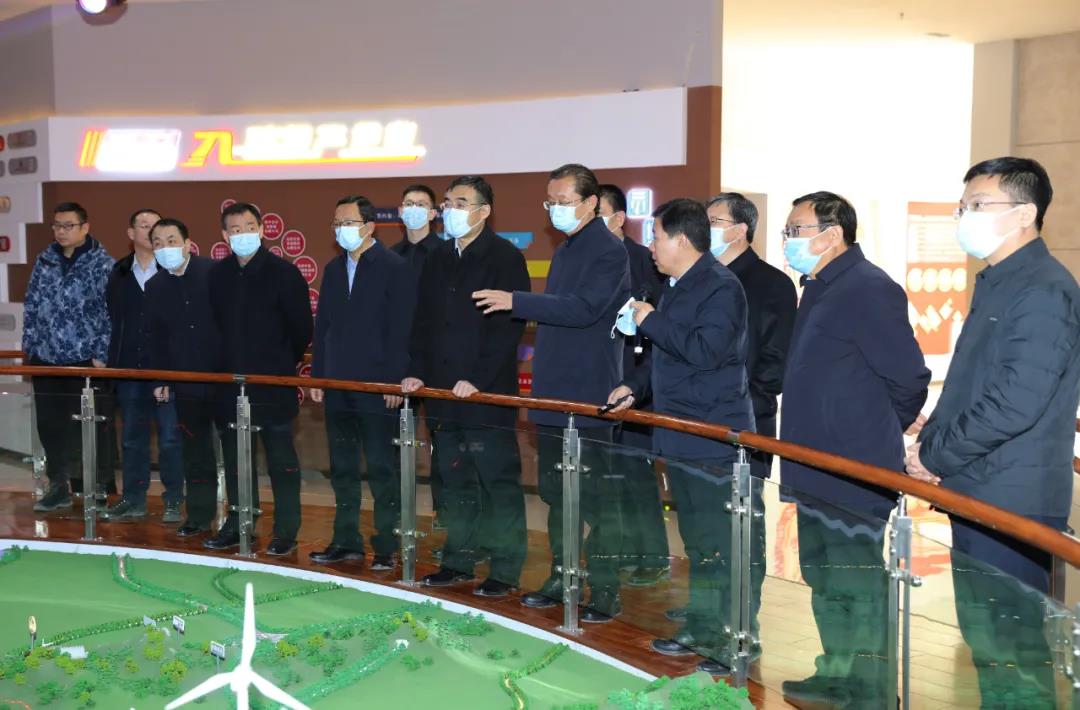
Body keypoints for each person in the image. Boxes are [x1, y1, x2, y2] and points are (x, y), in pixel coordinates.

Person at [906, 157, 1080, 708]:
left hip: (1012, 496)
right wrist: (935, 430)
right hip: (982, 485)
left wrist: (934, 454)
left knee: (1013, 646)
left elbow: (1015, 403)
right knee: (988, 640)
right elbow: (980, 382)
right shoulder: (1002, 282)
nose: (966, 216)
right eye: (964, 206)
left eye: (979, 205)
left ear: (1025, 213)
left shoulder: (1044, 289)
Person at [779, 191, 930, 707]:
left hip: (853, 470)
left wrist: (877, 427)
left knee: (858, 583)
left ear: (832, 235)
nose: (788, 240)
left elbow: (908, 377)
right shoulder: (819, 288)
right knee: (825, 577)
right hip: (814, 466)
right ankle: (836, 673)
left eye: (796, 230)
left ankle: (869, 690)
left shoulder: (868, 288)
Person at [474, 163, 630, 622]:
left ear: (590, 203)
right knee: (557, 495)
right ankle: (563, 576)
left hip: (588, 395)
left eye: (563, 201)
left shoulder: (608, 250)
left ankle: (604, 588)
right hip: (553, 394)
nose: (554, 209)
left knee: (595, 500)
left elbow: (584, 310)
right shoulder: (566, 249)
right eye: (550, 202)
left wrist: (517, 301)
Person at [607, 198, 755, 674]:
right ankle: (704, 625)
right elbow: (665, 357)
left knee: (722, 543)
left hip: (711, 435)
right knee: (698, 541)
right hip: (679, 432)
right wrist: (635, 387)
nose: (650, 246)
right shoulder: (678, 285)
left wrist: (650, 319)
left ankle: (735, 637)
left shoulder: (720, 287)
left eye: (655, 237)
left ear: (682, 240)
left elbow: (705, 351)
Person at [403, 175, 531, 597]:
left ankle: (505, 569)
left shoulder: (505, 257)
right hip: (442, 395)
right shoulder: (438, 256)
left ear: (484, 211)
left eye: (461, 202)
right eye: (448, 201)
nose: (451, 209)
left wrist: (476, 378)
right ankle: (457, 559)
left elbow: (507, 329)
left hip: (485, 395)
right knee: (454, 483)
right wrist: (417, 370)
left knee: (497, 483)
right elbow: (422, 321)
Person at [308, 195, 415, 570]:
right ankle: (345, 541)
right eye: (336, 224)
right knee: (342, 469)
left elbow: (402, 328)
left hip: (377, 387)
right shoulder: (334, 268)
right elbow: (324, 326)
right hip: (338, 384)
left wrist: (393, 381)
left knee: (383, 470)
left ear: (369, 227)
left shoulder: (394, 267)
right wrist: (318, 374)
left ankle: (387, 545)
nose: (341, 230)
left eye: (348, 223)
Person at [205, 202, 313, 556]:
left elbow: (301, 330)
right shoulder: (216, 276)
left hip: (273, 385)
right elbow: (211, 329)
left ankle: (285, 531)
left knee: (282, 462)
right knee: (237, 463)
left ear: (262, 229)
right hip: (227, 387)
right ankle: (239, 524)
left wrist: (278, 362)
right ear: (225, 235)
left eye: (250, 227)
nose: (243, 235)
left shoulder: (285, 273)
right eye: (235, 229)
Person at [596, 184, 670, 586]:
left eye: (599, 214)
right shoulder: (585, 260)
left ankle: (653, 555)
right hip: (599, 382)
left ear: (619, 218)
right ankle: (618, 549)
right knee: (607, 476)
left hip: (638, 384)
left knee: (637, 475)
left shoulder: (646, 261)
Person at [24, 202, 115, 512]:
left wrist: (101, 353)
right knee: (50, 426)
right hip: (46, 359)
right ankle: (58, 486)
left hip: (85, 360)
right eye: (57, 225)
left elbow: (109, 312)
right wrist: (30, 346)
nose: (61, 231)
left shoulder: (102, 263)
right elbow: (32, 304)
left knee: (91, 426)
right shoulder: (44, 260)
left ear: (84, 227)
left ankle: (97, 487)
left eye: (68, 225)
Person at [103, 208, 185, 523]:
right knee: (132, 440)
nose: (150, 230)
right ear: (131, 233)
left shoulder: (175, 269)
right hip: (129, 370)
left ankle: (174, 499)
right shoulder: (120, 272)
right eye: (143, 225)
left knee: (170, 439)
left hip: (168, 371)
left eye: (155, 226)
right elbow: (112, 316)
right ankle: (133, 499)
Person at [144, 217, 223, 537]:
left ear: (188, 244)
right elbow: (155, 336)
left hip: (224, 378)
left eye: (172, 241)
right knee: (195, 452)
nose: (166, 248)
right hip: (185, 381)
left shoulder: (214, 273)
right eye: (158, 243)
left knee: (234, 451)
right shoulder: (155, 286)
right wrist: (160, 378)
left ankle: (238, 520)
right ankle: (199, 516)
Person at [390, 183, 445, 528]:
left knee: (442, 441)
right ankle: (397, 511)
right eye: (408, 203)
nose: (413, 209)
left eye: (421, 204)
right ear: (399, 211)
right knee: (395, 442)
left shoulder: (445, 253)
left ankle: (445, 513)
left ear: (433, 213)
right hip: (398, 363)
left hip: (437, 362)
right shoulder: (388, 256)